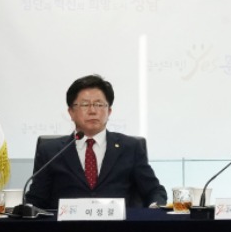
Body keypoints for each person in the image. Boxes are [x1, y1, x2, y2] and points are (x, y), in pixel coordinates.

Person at [25, 74, 167, 209]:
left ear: (109, 111)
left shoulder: (130, 147)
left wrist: (154, 208)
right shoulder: (51, 151)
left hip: (119, 225)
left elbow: (154, 190)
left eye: (99, 105)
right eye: (85, 105)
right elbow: (36, 199)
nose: (92, 111)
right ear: (71, 112)